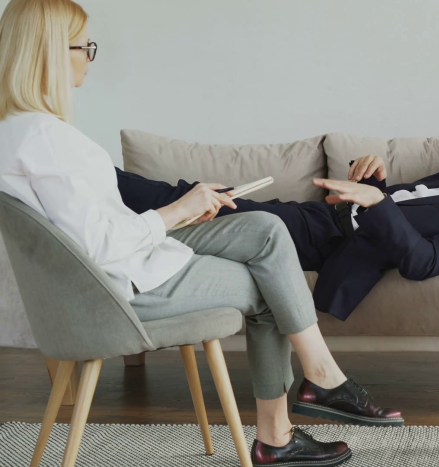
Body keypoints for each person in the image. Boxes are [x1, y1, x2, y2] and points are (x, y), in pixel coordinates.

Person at [0, 1, 400, 466]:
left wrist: (185, 213)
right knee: (273, 282)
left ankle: (315, 384)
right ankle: (288, 422)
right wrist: (176, 211)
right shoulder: (48, 139)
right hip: (118, 288)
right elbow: (101, 246)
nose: (89, 57)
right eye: (83, 47)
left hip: (112, 267)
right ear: (49, 53)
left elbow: (91, 233)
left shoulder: (17, 132)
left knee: (267, 230)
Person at [117, 117, 439, 319]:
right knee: (209, 197)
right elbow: (398, 206)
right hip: (320, 216)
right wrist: (377, 179)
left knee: (198, 199)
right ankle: (109, 204)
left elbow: (422, 260)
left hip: (331, 242)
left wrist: (376, 202)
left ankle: (103, 183)